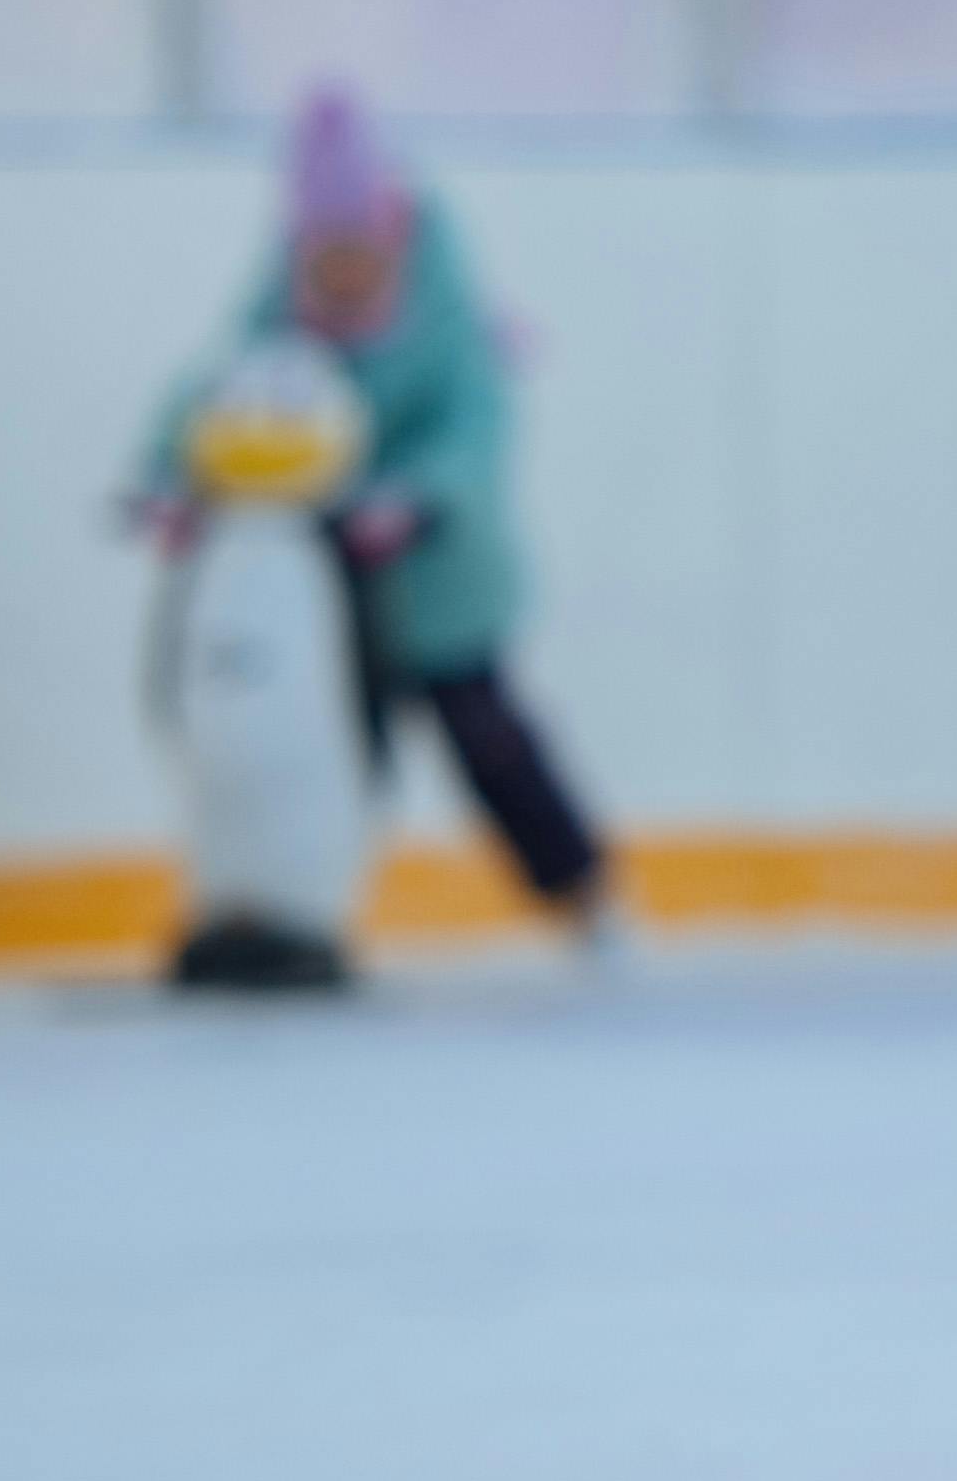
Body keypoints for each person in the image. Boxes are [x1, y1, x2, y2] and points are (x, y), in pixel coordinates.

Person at [140, 85, 618, 951]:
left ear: (390, 233)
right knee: (318, 750)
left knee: (487, 740)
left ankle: (582, 893)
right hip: (326, 589)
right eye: (326, 257)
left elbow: (477, 429)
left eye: (358, 253)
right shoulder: (279, 308)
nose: (343, 273)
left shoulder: (448, 319)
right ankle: (292, 907)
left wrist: (418, 495)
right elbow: (214, 397)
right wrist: (170, 482)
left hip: (440, 583)